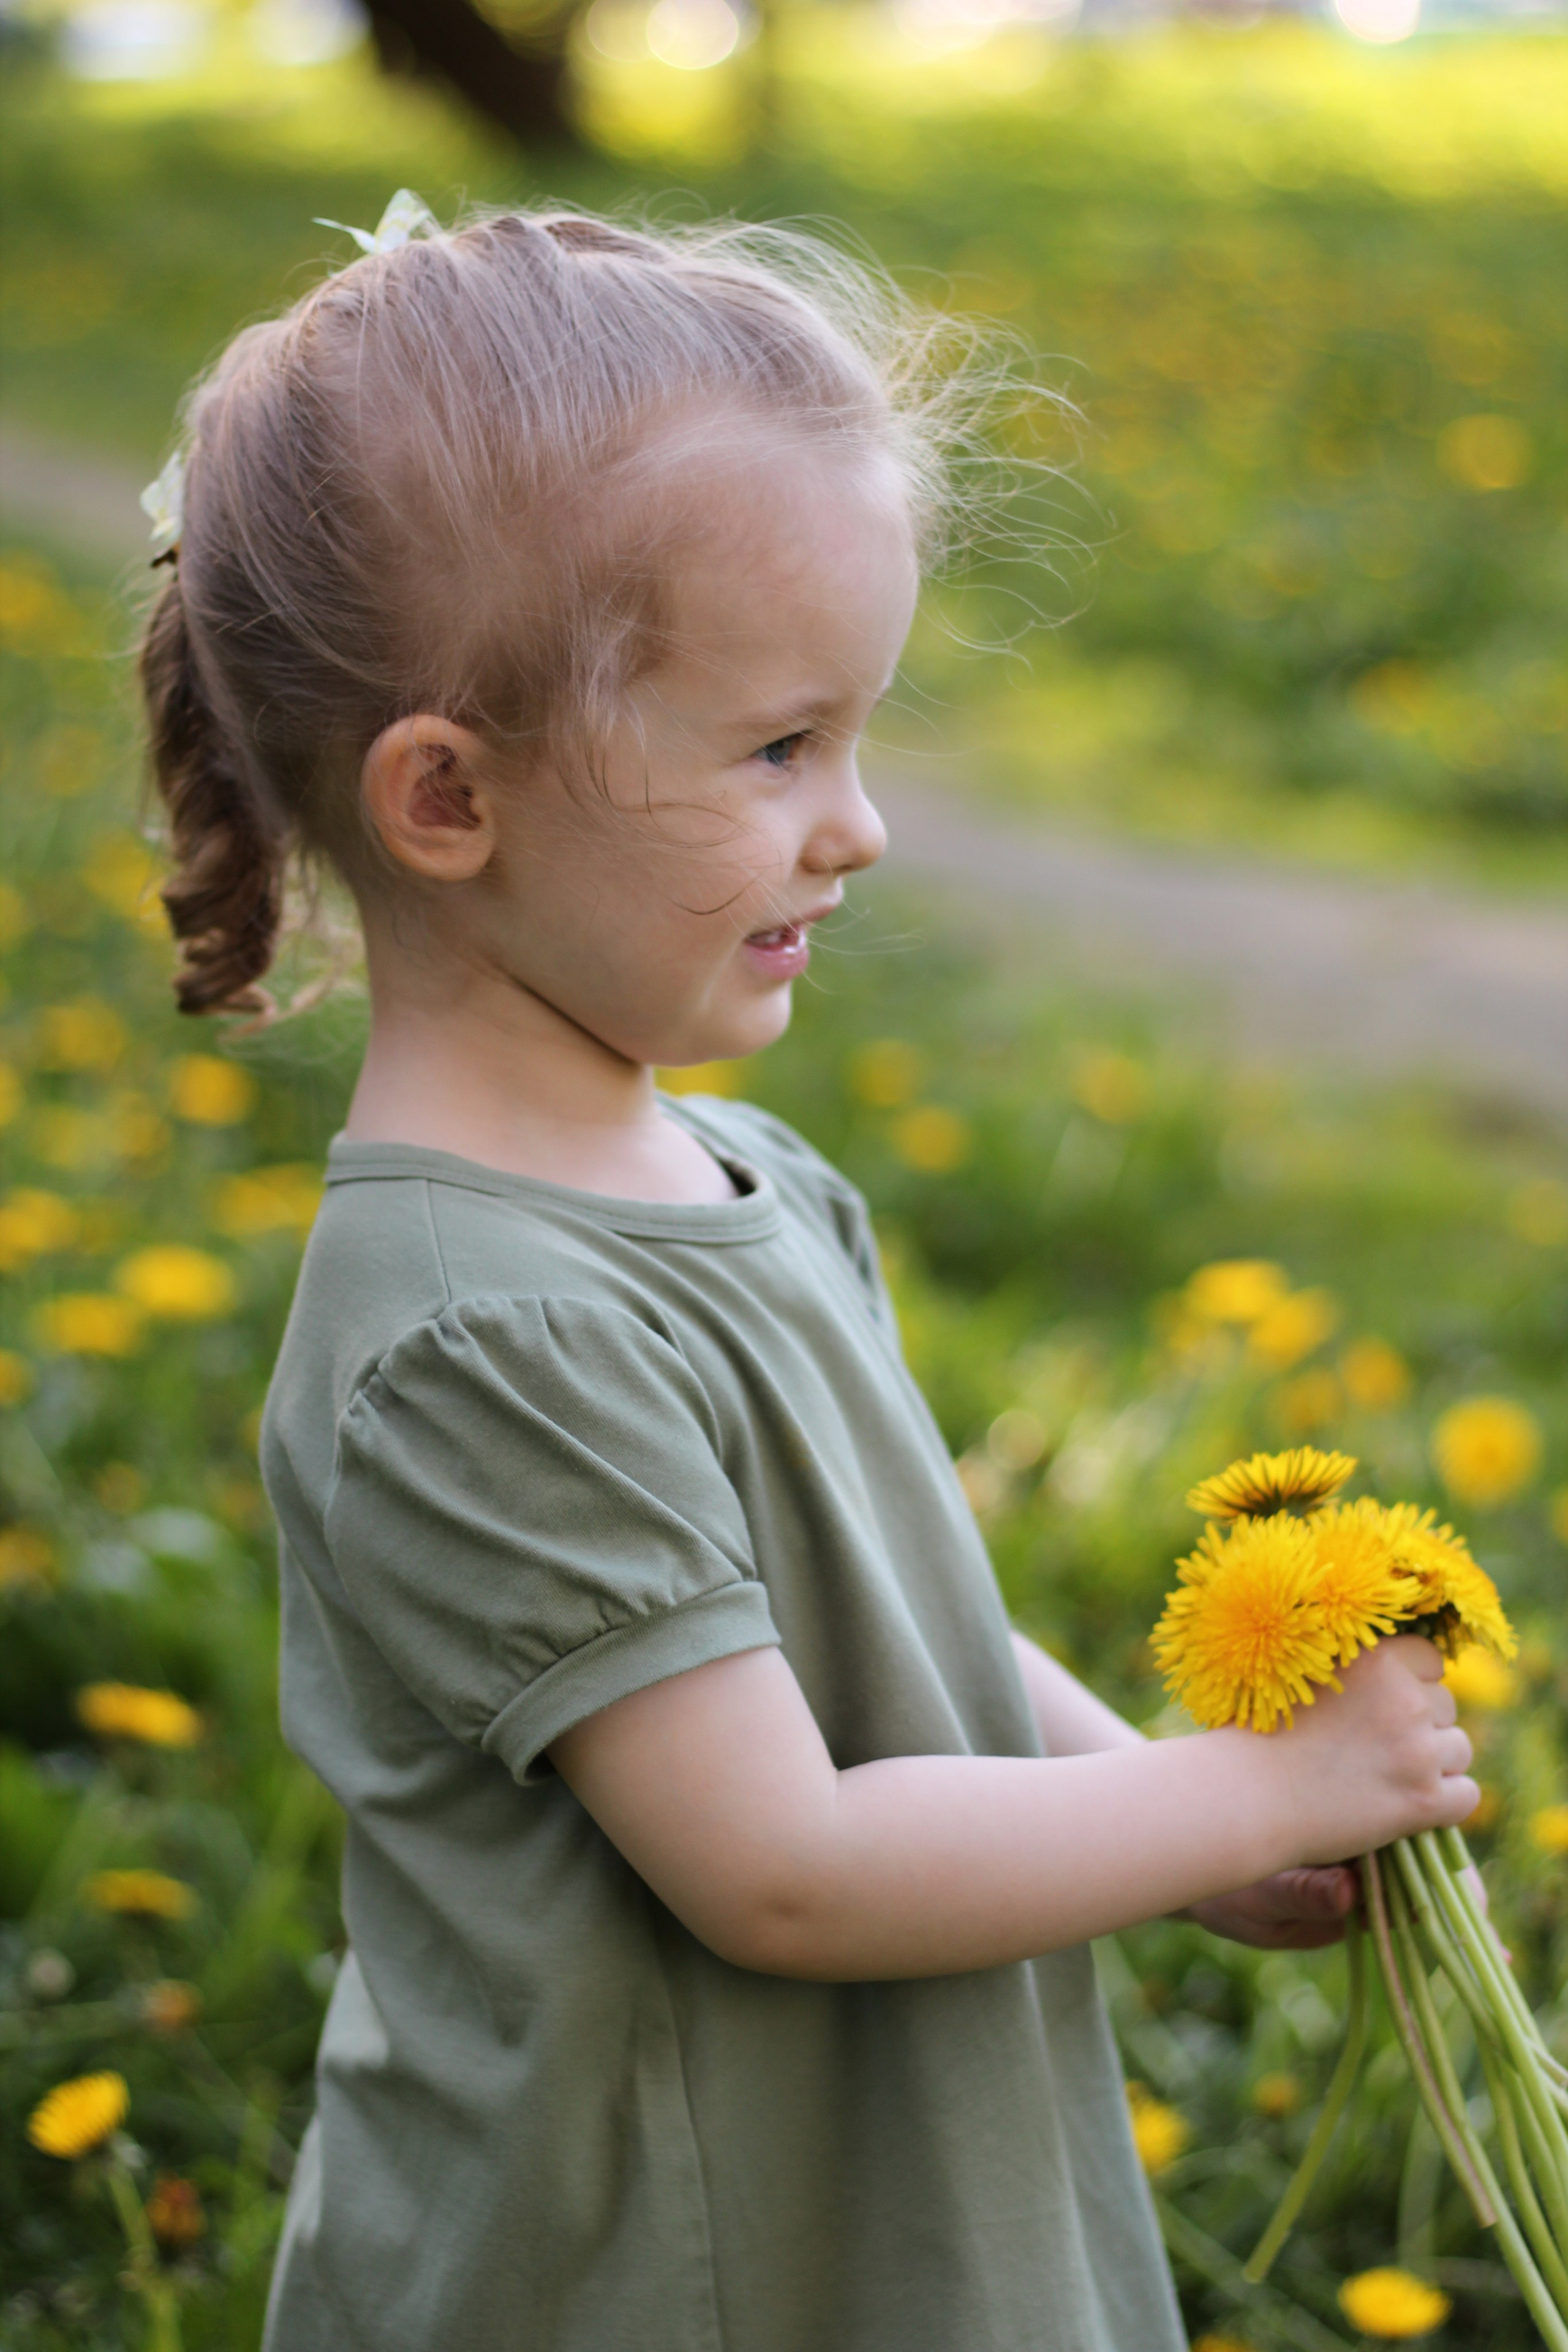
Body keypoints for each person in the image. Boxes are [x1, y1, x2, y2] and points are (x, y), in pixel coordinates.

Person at [137, 197, 1478, 2352]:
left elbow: (906, 1628)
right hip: (660, 2281)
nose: (856, 828)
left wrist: (1157, 1802)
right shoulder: (484, 1334)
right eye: (776, 750)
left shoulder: (747, 1176)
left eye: (854, 740)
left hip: (884, 2219)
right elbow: (779, 1865)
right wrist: (1251, 1781)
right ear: (449, 799)